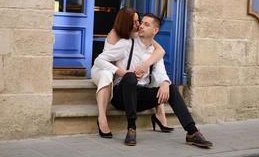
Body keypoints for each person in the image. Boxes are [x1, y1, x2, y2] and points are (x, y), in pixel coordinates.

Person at [94, 13, 213, 148]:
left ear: (155, 31)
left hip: (140, 95)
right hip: (121, 95)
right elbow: (99, 60)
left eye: (146, 24)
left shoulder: (154, 53)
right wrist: (122, 72)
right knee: (130, 77)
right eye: (141, 22)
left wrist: (165, 83)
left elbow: (161, 73)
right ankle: (131, 128)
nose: (141, 26)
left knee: (171, 88)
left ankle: (192, 132)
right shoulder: (126, 44)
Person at [91, 8, 173, 138]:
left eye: (138, 21)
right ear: (125, 23)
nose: (138, 25)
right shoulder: (115, 34)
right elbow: (103, 61)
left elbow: (160, 51)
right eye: (134, 22)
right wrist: (124, 73)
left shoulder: (137, 34)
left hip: (122, 73)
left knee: (153, 69)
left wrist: (143, 67)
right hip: (103, 67)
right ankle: (102, 117)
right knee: (107, 76)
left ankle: (159, 111)